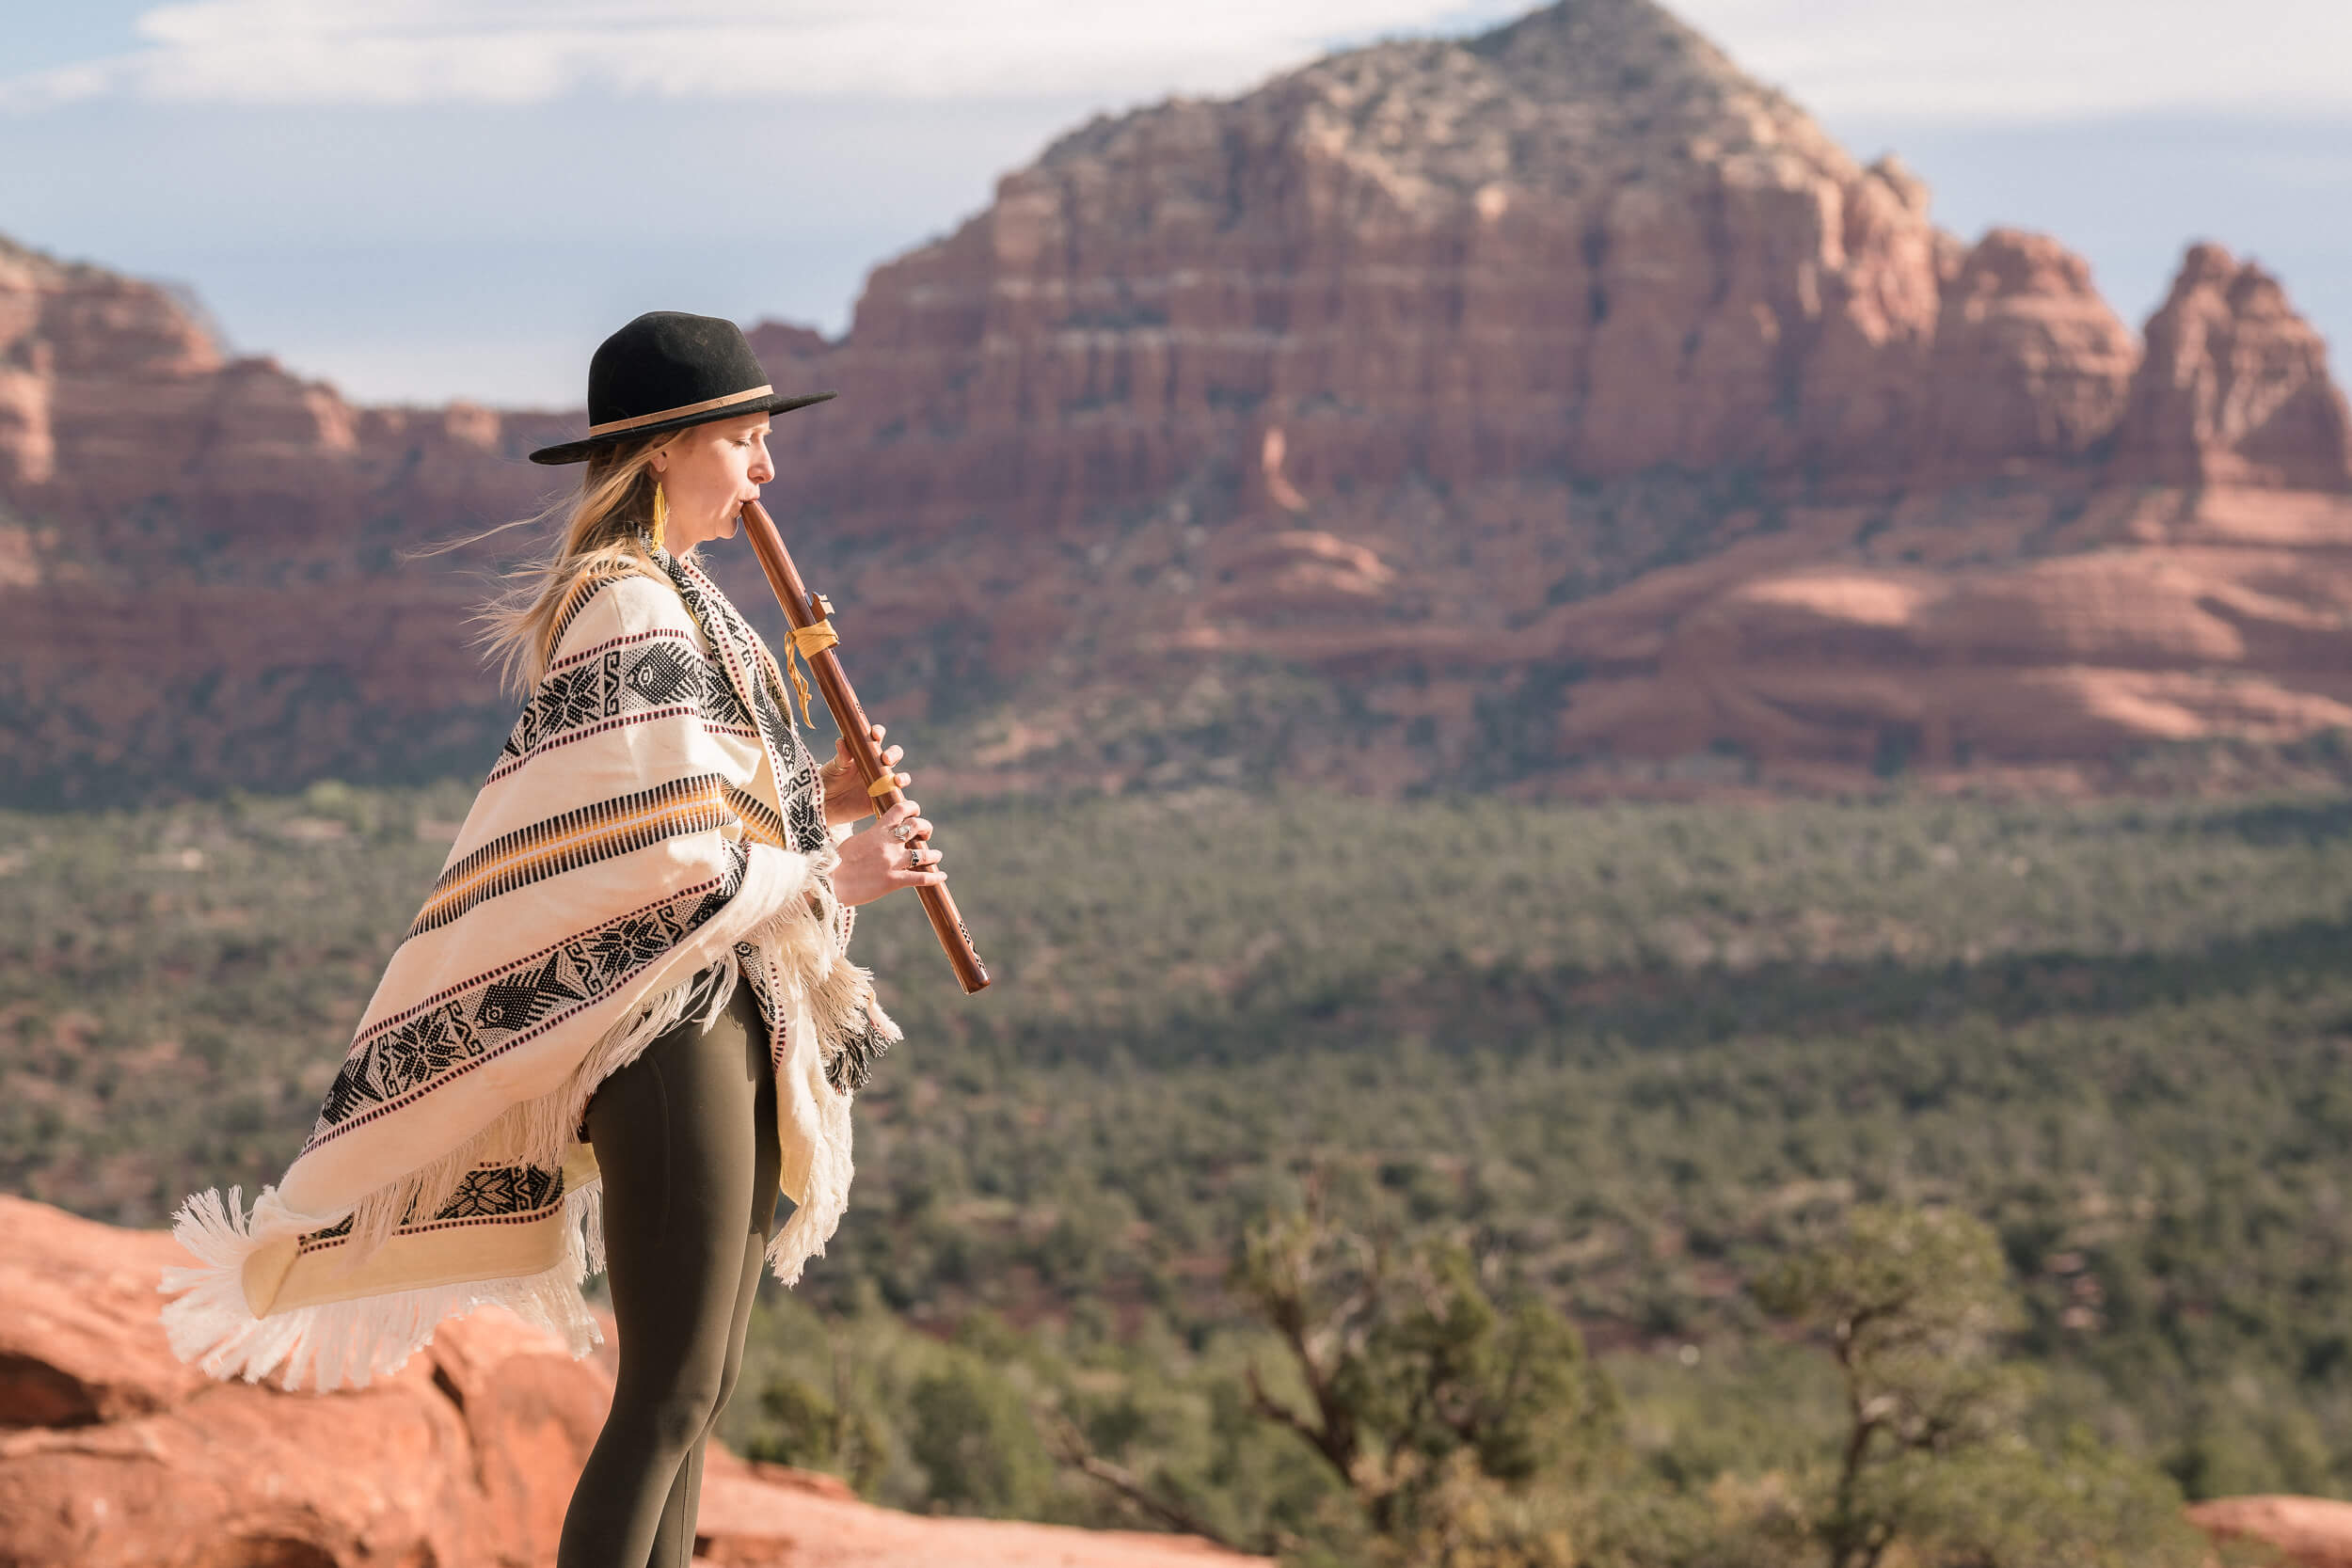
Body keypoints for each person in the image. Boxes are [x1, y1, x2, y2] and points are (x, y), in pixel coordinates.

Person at [158, 312, 944, 1568]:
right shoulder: (626, 604)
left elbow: (698, 810)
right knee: (671, 1393)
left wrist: (821, 807)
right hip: (668, 1031)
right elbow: (656, 863)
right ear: (673, 448)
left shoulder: (694, 602)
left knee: (700, 1391)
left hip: (731, 1011)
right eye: (745, 440)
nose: (766, 471)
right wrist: (832, 864)